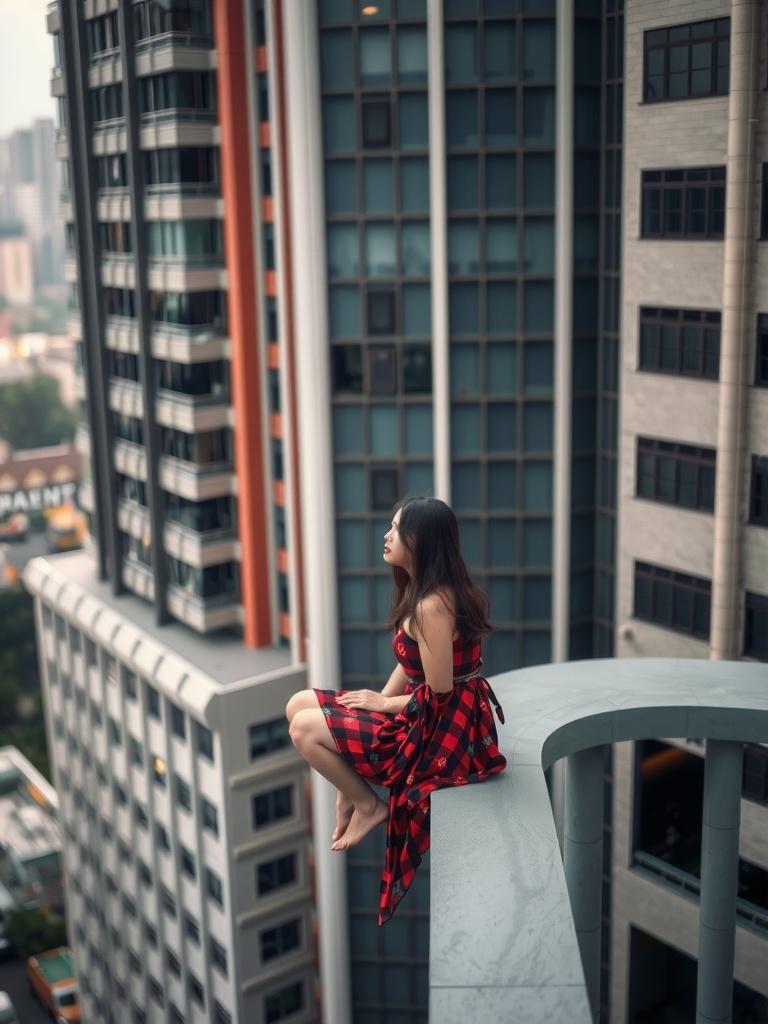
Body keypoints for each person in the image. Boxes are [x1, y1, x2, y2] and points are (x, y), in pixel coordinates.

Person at [285, 496, 507, 925]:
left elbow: (441, 691)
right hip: (419, 714)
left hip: (439, 733)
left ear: (419, 541)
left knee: (304, 731)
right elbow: (412, 666)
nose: (385, 537)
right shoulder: (422, 593)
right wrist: (376, 702)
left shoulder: (431, 606)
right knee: (298, 703)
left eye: (396, 529)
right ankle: (352, 793)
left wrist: (384, 705)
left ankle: (368, 805)